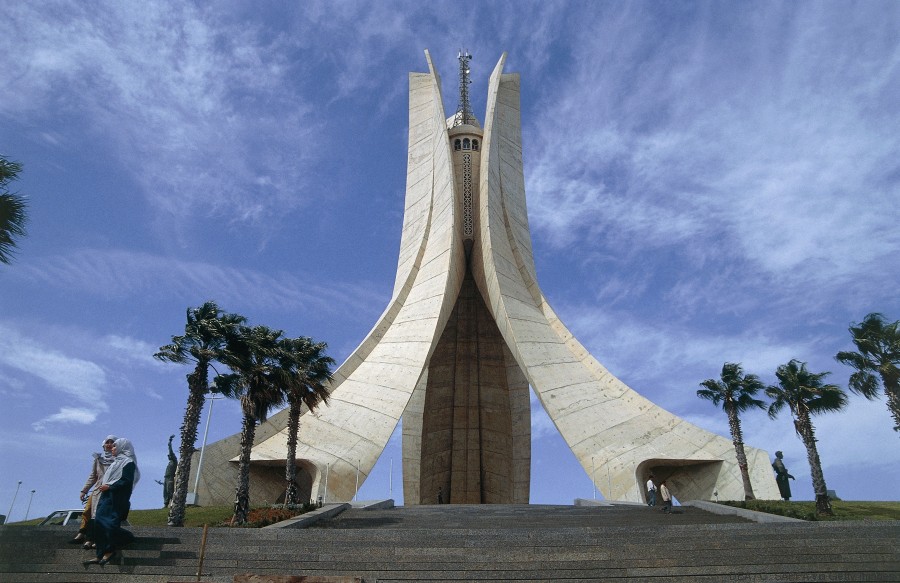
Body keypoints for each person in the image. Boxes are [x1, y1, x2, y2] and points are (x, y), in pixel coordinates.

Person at [84, 437, 140, 566]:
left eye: (115, 446)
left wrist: (110, 487)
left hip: (116, 498)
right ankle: (99, 554)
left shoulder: (128, 462)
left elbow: (126, 480)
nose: (112, 448)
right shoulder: (116, 462)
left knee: (109, 524)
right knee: (98, 522)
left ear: (122, 447)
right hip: (106, 496)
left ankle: (109, 551)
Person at [70, 435, 116, 547]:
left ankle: (94, 539)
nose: (109, 444)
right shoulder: (98, 459)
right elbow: (93, 476)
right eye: (107, 442)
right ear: (103, 445)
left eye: (112, 442)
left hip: (109, 490)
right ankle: (82, 533)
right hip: (97, 489)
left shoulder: (118, 460)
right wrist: (84, 490)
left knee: (98, 514)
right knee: (87, 510)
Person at [163, 434, 177, 507]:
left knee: (170, 490)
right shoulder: (170, 463)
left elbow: (170, 451)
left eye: (170, 455)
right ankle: (166, 504)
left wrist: (170, 443)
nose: (169, 456)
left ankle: (173, 503)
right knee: (165, 491)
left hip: (170, 477)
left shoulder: (174, 461)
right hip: (166, 477)